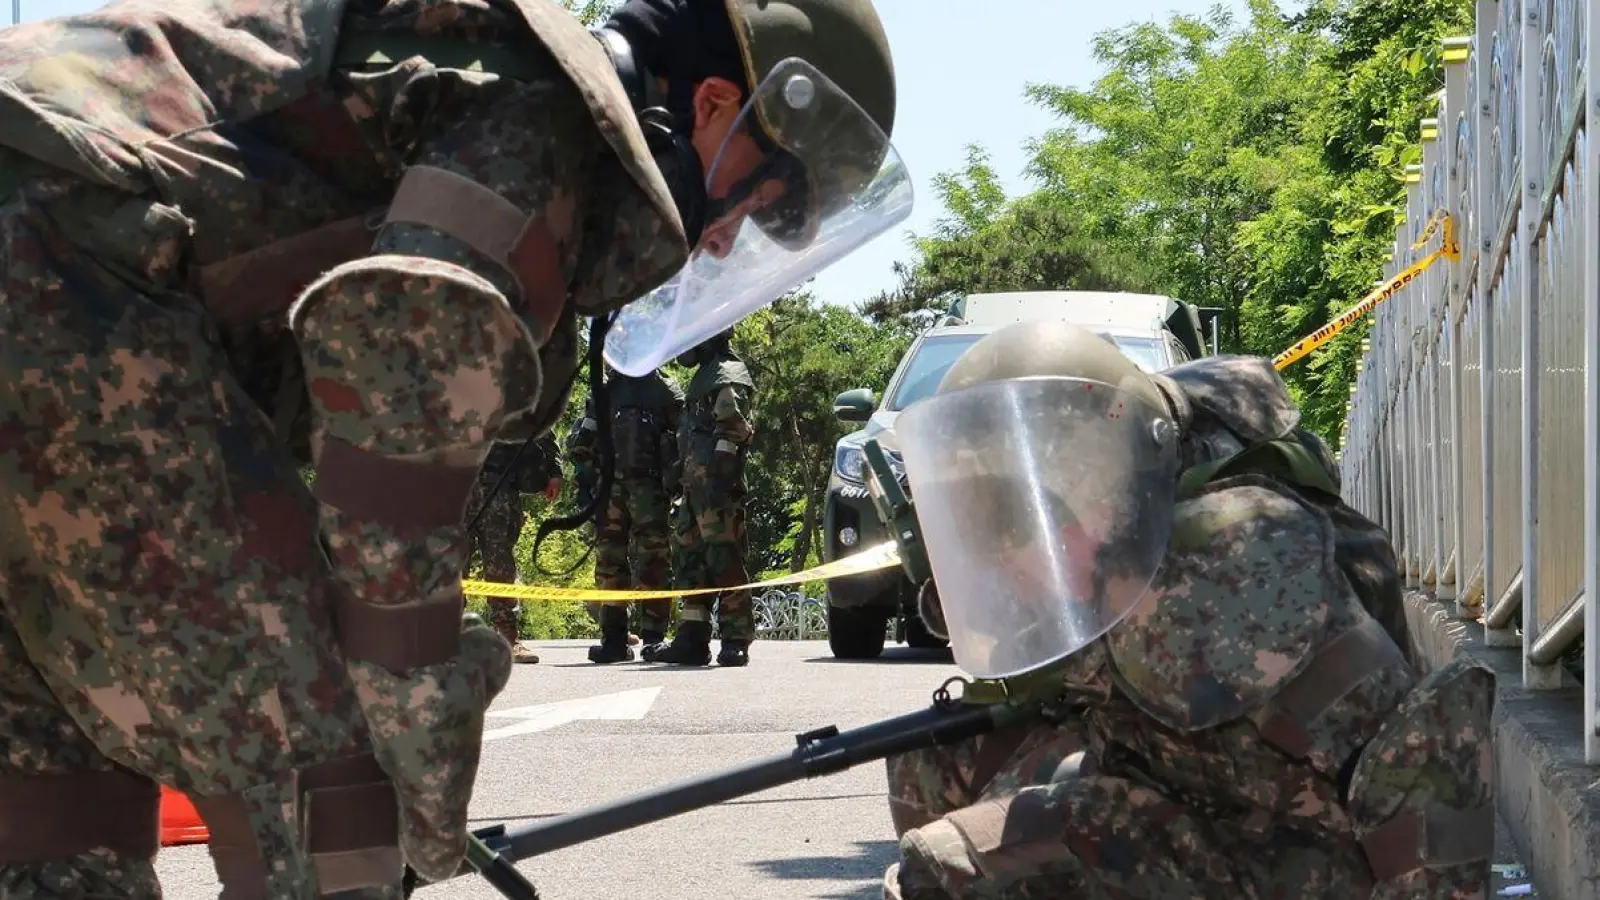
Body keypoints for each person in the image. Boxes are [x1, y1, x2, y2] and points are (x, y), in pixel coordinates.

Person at [0, 0, 907, 894]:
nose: (723, 240)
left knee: (52, 802)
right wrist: (418, 710)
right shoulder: (546, 107)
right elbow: (399, 402)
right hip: (55, 257)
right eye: (760, 202)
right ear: (713, 104)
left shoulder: (462, 61)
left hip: (49, 251)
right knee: (327, 792)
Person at [878, 322, 1493, 900]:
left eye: (1023, 518)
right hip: (1187, 790)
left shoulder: (1230, 573)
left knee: (963, 860)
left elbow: (1417, 751)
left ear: (1097, 484)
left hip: (1299, 854)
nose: (1008, 552)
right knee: (932, 763)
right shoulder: (1106, 560)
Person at [643, 329, 758, 667]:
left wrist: (719, 481)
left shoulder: (726, 373)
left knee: (725, 560)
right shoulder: (704, 377)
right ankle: (692, 637)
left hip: (716, 492)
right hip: (694, 492)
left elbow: (733, 426)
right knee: (690, 564)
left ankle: (736, 638)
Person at [567, 365, 686, 662]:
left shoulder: (664, 389)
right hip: (610, 489)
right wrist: (584, 479)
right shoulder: (604, 391)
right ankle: (614, 638)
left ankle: (654, 638)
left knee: (654, 561)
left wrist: (678, 482)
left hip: (651, 487)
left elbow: (684, 437)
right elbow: (585, 439)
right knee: (609, 562)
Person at [467, 431, 565, 665]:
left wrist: (554, 471)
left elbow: (541, 422)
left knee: (501, 566)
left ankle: (507, 638)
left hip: (499, 484)